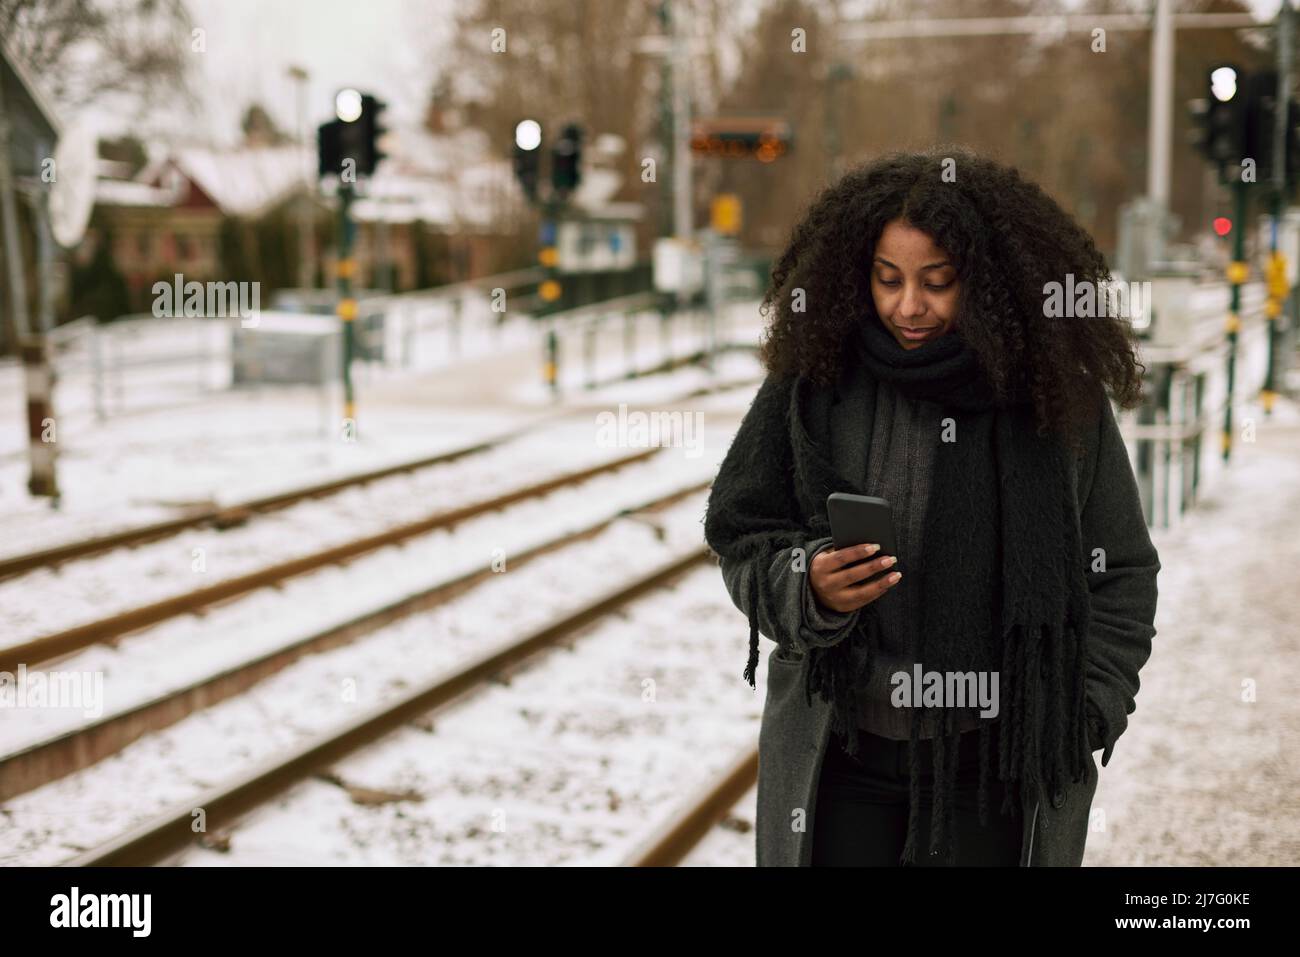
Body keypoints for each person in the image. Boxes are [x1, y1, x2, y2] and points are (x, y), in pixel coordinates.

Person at [702, 147, 1161, 867]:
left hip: (999, 775)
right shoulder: (815, 380)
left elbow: (1122, 573)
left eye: (936, 282)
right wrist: (808, 582)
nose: (907, 305)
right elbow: (742, 532)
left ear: (986, 284)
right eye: (888, 279)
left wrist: (1086, 712)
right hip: (842, 763)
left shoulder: (1056, 400)